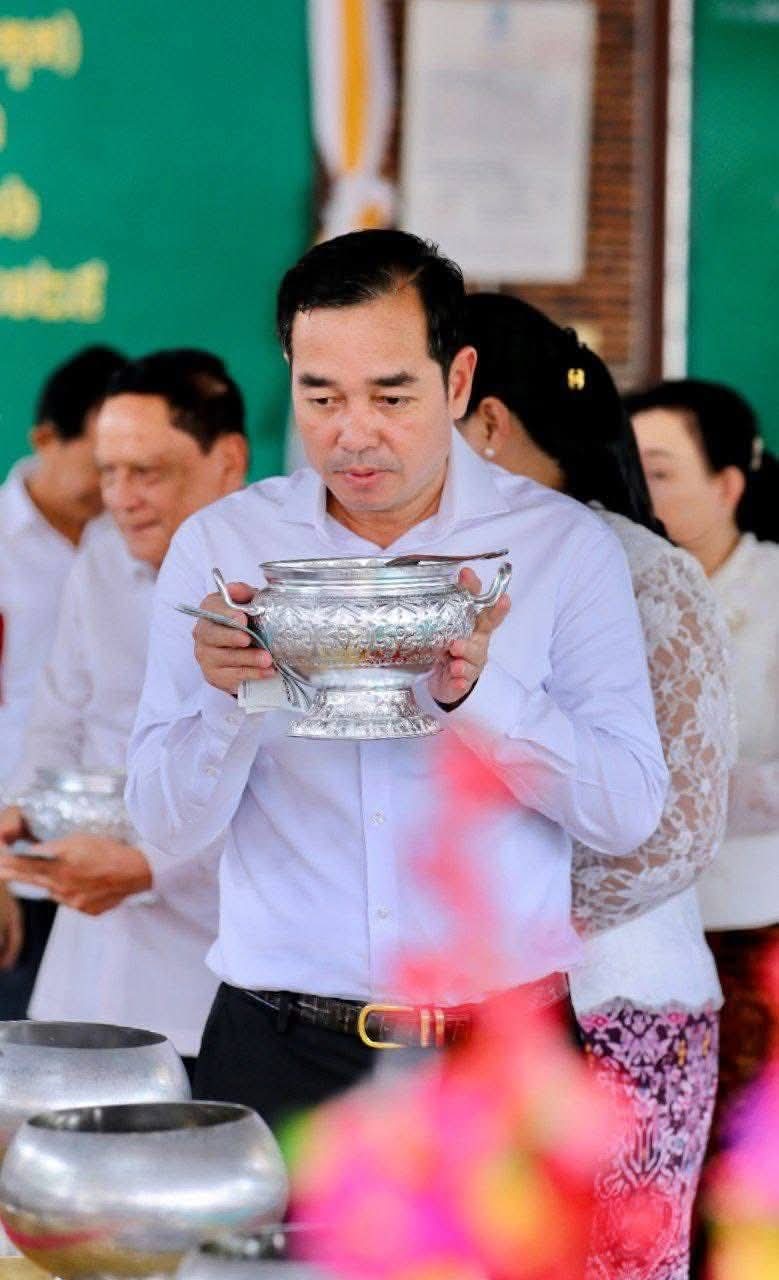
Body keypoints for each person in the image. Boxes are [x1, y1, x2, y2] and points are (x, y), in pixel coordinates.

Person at [126, 230, 668, 1131]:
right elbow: (162, 824)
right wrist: (229, 700)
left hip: (501, 1054)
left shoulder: (560, 547)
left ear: (456, 382)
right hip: (280, 1046)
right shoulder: (225, 547)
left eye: (390, 395)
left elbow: (625, 811)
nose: (353, 433)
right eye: (321, 397)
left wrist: (479, 699)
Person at [457, 294, 733, 1280]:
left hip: (616, 1006)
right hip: (463, 1013)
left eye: (409, 404)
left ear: (485, 418)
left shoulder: (641, 571)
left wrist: (502, 920)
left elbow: (675, 831)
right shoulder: (428, 568)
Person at [0, 349, 248, 1074]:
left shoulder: (277, 576)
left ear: (228, 460)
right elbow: (60, 717)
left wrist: (150, 867)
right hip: (86, 963)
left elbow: (285, 783)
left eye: (148, 472)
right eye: (108, 472)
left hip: (221, 973)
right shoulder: (102, 557)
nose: (121, 497)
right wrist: (26, 814)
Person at [627, 379, 779, 1152]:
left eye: (659, 471)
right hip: (634, 935)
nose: (638, 491)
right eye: (629, 469)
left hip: (751, 924)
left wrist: (677, 792)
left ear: (726, 486)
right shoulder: (615, 588)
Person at [0, 344, 127, 1016]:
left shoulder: (134, 543)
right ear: (46, 439)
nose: (116, 486)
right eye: (100, 464)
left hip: (120, 869)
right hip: (15, 866)